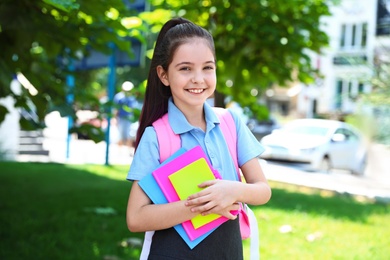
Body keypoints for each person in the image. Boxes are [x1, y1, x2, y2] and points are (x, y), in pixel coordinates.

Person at [126, 17, 271, 259]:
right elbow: (136, 217)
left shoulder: (230, 123)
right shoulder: (158, 136)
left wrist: (232, 190)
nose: (198, 78)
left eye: (207, 67)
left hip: (228, 251)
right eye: (185, 68)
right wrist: (202, 204)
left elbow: (263, 190)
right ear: (163, 75)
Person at [114, 81, 137, 147]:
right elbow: (116, 109)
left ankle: (128, 150)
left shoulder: (132, 97)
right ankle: (119, 151)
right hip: (121, 118)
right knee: (120, 135)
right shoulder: (119, 97)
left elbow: (133, 109)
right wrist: (115, 119)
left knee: (129, 135)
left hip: (129, 119)